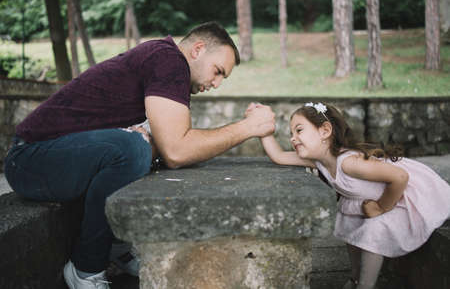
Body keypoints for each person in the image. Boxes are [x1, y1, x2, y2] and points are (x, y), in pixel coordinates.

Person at [3, 21, 275, 289]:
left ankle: (116, 246)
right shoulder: (169, 60)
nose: (216, 84)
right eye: (218, 72)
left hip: (52, 157)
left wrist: (156, 144)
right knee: (133, 149)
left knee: (140, 150)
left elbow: (172, 146)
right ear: (198, 49)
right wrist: (248, 127)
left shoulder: (166, 62)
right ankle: (85, 269)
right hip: (30, 159)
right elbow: (177, 150)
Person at [255, 102, 450, 289]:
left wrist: (381, 207)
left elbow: (400, 177)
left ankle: (366, 285)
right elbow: (279, 156)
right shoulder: (319, 161)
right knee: (348, 222)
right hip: (372, 199)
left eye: (299, 130)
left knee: (374, 229)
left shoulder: (349, 163)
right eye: (291, 133)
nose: (292, 138)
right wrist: (262, 130)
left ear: (325, 131)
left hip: (403, 194)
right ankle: (355, 278)